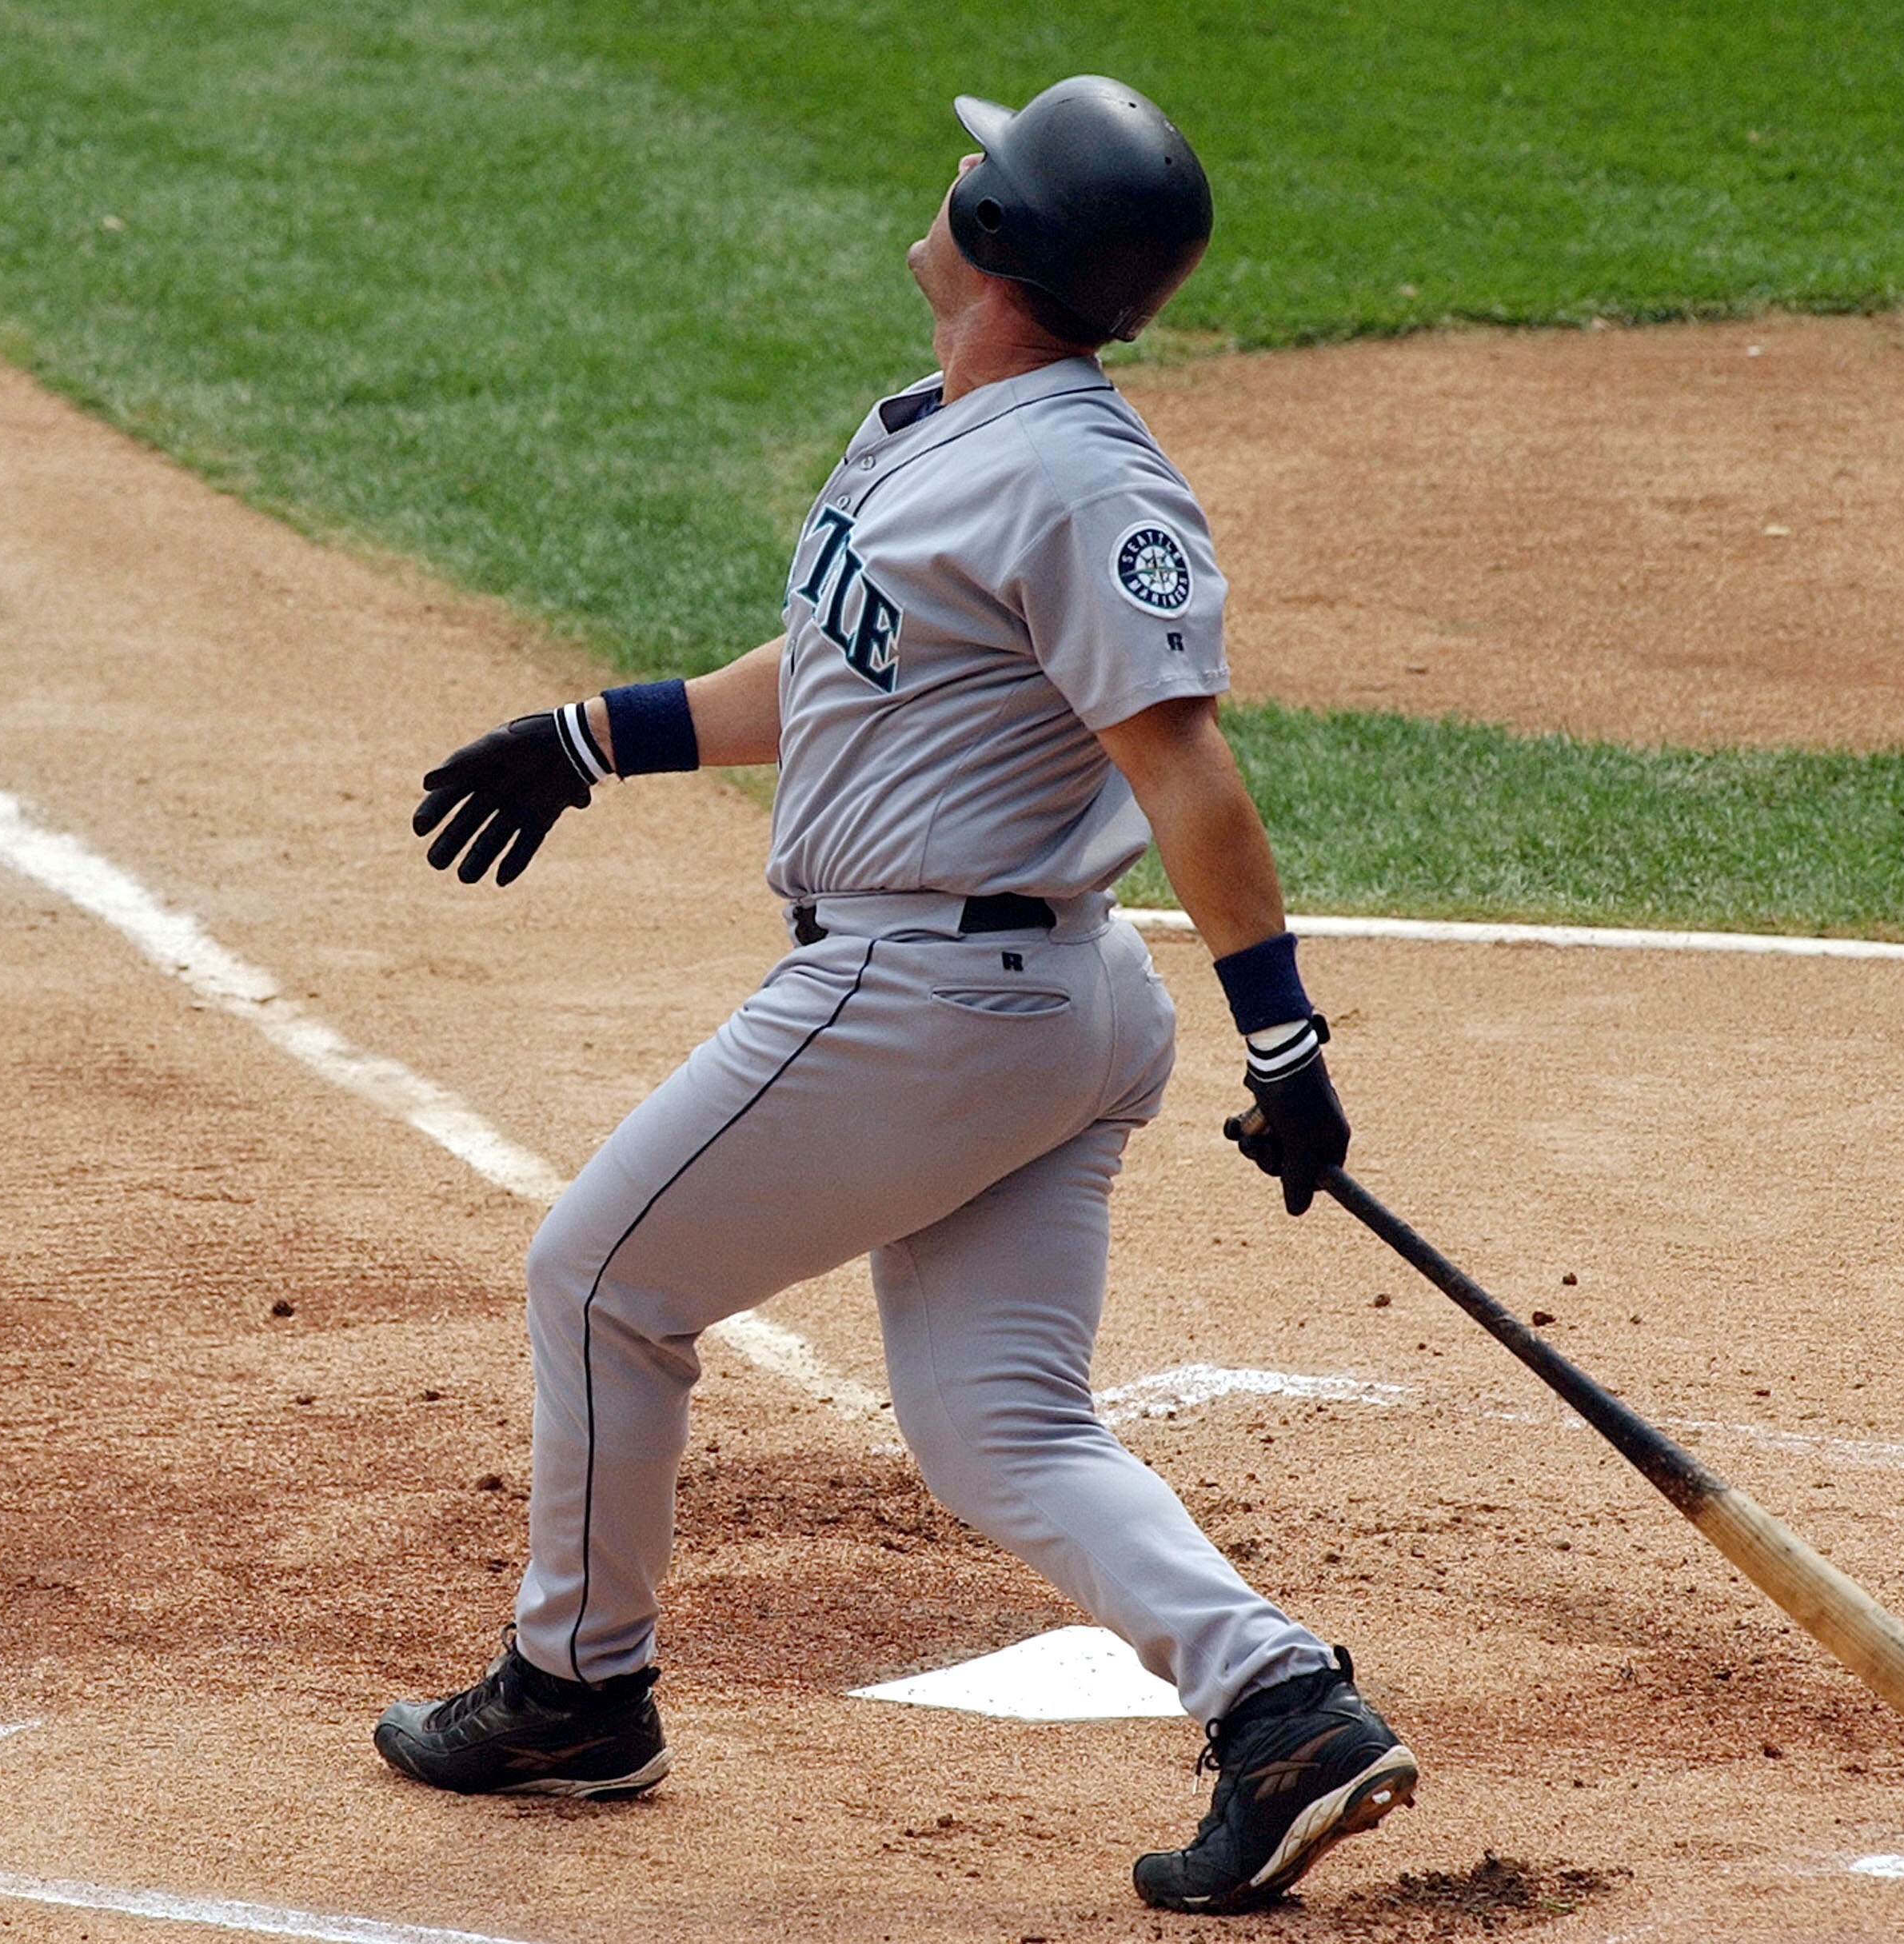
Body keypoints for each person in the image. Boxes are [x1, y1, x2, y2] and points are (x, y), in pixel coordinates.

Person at [374, 76, 1416, 1914]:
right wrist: (590, 736)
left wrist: (1288, 1033)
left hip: (934, 998)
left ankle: (576, 1686)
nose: (945, 178)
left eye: (974, 171)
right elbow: (856, 669)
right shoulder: (952, 426)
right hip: (1028, 1001)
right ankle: (1282, 1707)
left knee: (602, 1281)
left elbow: (1186, 769)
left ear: (1002, 238)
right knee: (999, 1423)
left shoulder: (1086, 482)